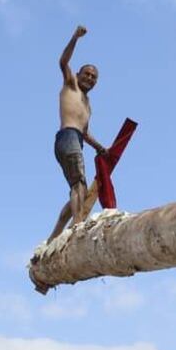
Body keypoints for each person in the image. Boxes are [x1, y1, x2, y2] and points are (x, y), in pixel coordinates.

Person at [48, 25, 108, 242]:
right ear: (78, 75)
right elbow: (63, 62)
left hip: (75, 140)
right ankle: (78, 227)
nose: (90, 79)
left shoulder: (88, 105)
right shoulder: (70, 85)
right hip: (67, 137)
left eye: (94, 78)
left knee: (76, 189)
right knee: (79, 186)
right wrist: (75, 37)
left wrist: (101, 148)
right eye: (87, 74)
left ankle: (54, 237)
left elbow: (86, 133)